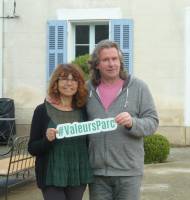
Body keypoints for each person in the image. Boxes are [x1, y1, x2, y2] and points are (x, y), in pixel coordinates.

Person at [87, 39, 159, 200]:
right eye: (106, 60)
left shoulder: (138, 87)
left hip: (128, 172)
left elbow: (153, 122)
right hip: (97, 173)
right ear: (97, 64)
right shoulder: (87, 90)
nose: (111, 64)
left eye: (115, 59)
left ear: (120, 61)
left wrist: (133, 123)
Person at [28, 64, 93, 200]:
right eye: (64, 79)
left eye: (74, 79)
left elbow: (90, 141)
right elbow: (32, 148)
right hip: (51, 173)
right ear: (55, 83)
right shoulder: (42, 110)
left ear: (79, 84)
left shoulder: (84, 110)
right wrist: (47, 140)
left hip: (78, 172)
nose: (69, 83)